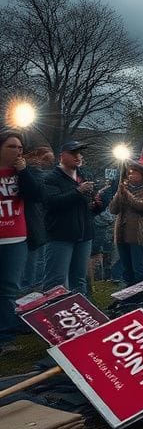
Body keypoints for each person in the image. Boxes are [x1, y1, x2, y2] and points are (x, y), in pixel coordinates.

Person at [0, 131, 44, 350]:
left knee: (9, 287)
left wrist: (24, 172)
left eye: (20, 147)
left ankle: (6, 337)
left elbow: (37, 195)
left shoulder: (24, 173)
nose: (18, 151)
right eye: (12, 147)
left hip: (15, 238)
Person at [41, 141, 101, 295]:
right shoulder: (51, 178)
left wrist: (98, 203)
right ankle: (53, 314)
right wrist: (78, 191)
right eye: (73, 153)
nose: (78, 156)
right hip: (61, 236)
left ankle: (81, 313)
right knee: (56, 281)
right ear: (61, 156)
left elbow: (88, 208)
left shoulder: (84, 176)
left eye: (80, 153)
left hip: (84, 235)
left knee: (79, 280)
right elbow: (51, 203)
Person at [109, 163, 143, 285]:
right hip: (122, 233)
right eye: (129, 173)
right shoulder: (124, 189)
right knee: (126, 267)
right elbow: (113, 209)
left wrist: (127, 194)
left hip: (138, 234)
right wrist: (119, 194)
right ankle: (128, 292)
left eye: (134, 173)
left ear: (141, 175)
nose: (130, 175)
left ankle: (142, 293)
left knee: (138, 267)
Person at [19, 145, 53, 290]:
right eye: (42, 159)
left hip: (38, 221)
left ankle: (32, 286)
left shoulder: (41, 175)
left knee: (36, 258)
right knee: (32, 259)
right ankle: (29, 286)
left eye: (47, 161)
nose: (41, 162)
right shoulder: (31, 174)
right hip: (31, 221)